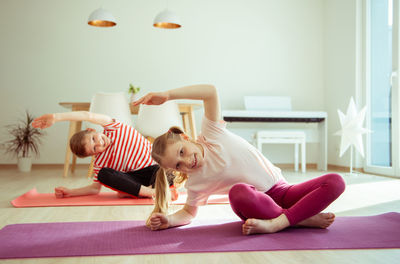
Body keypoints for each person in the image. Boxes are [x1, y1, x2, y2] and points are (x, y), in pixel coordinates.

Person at [133, 84, 346, 235]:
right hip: (254, 204)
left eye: (182, 152)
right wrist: (169, 220)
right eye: (178, 165)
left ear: (186, 138)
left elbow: (210, 91)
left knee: (336, 181)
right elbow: (189, 212)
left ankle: (285, 220)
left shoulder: (212, 134)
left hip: (283, 191)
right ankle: (290, 220)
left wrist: (167, 95)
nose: (186, 162)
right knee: (238, 192)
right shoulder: (196, 182)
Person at [32, 111, 176, 199]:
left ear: (92, 129)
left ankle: (154, 191)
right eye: (95, 149)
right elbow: (95, 189)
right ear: (93, 155)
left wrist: (56, 117)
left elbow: (86, 115)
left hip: (156, 168)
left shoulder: (114, 127)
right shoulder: (100, 162)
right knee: (103, 174)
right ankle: (154, 193)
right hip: (139, 181)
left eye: (95, 138)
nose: (100, 144)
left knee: (164, 169)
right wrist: (70, 192)